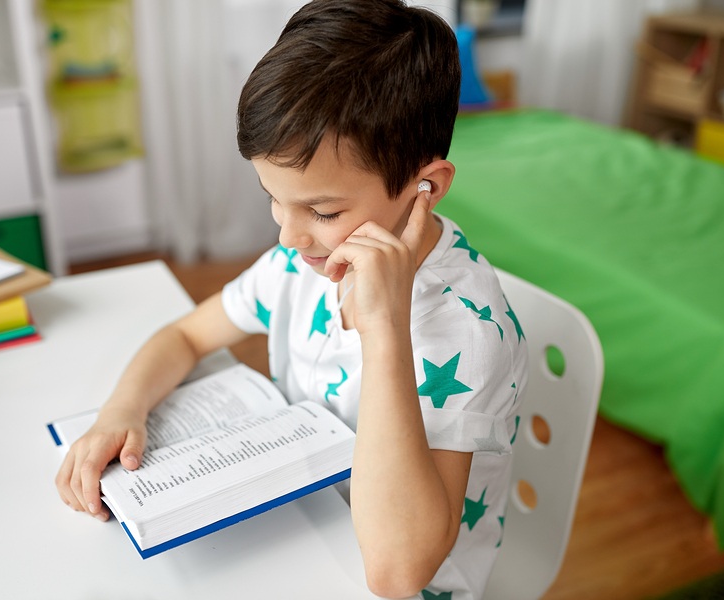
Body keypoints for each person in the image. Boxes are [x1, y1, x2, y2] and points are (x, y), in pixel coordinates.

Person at [55, 1, 527, 598]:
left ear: (425, 186)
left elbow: (398, 573)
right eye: (273, 198)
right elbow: (185, 336)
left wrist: (385, 329)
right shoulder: (302, 261)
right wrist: (121, 412)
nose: (289, 234)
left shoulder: (468, 333)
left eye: (323, 211)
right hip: (301, 527)